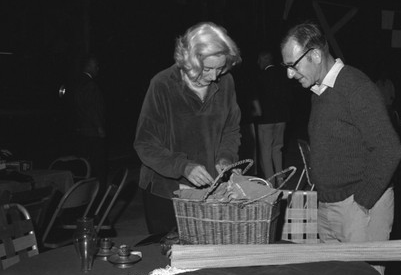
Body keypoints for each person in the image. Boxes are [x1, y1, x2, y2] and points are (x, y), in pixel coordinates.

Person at [280, 22, 401, 275]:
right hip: (329, 205)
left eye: (293, 65)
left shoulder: (355, 86)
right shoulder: (319, 90)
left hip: (358, 206)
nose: (289, 75)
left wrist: (361, 202)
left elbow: (389, 149)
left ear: (315, 55)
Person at [134, 22, 242, 235]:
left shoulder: (226, 83)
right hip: (166, 193)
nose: (214, 77)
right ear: (189, 60)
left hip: (211, 192)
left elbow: (231, 129)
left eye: (220, 68)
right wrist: (183, 166)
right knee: (169, 261)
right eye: (207, 69)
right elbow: (145, 144)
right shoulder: (163, 85)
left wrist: (225, 158)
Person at [255, 49, 292, 185]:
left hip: (265, 120)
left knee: (265, 151)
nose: (258, 63)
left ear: (265, 60)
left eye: (259, 60)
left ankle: (270, 182)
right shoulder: (283, 75)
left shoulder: (260, 77)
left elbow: (255, 100)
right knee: (278, 149)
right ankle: (280, 178)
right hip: (282, 118)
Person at [73, 56, 108, 190]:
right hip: (93, 131)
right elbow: (93, 108)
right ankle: (99, 191)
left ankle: (86, 191)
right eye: (96, 66)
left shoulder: (77, 83)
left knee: (85, 163)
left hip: (81, 130)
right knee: (98, 164)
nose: (97, 69)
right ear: (89, 66)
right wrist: (99, 127)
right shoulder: (90, 85)